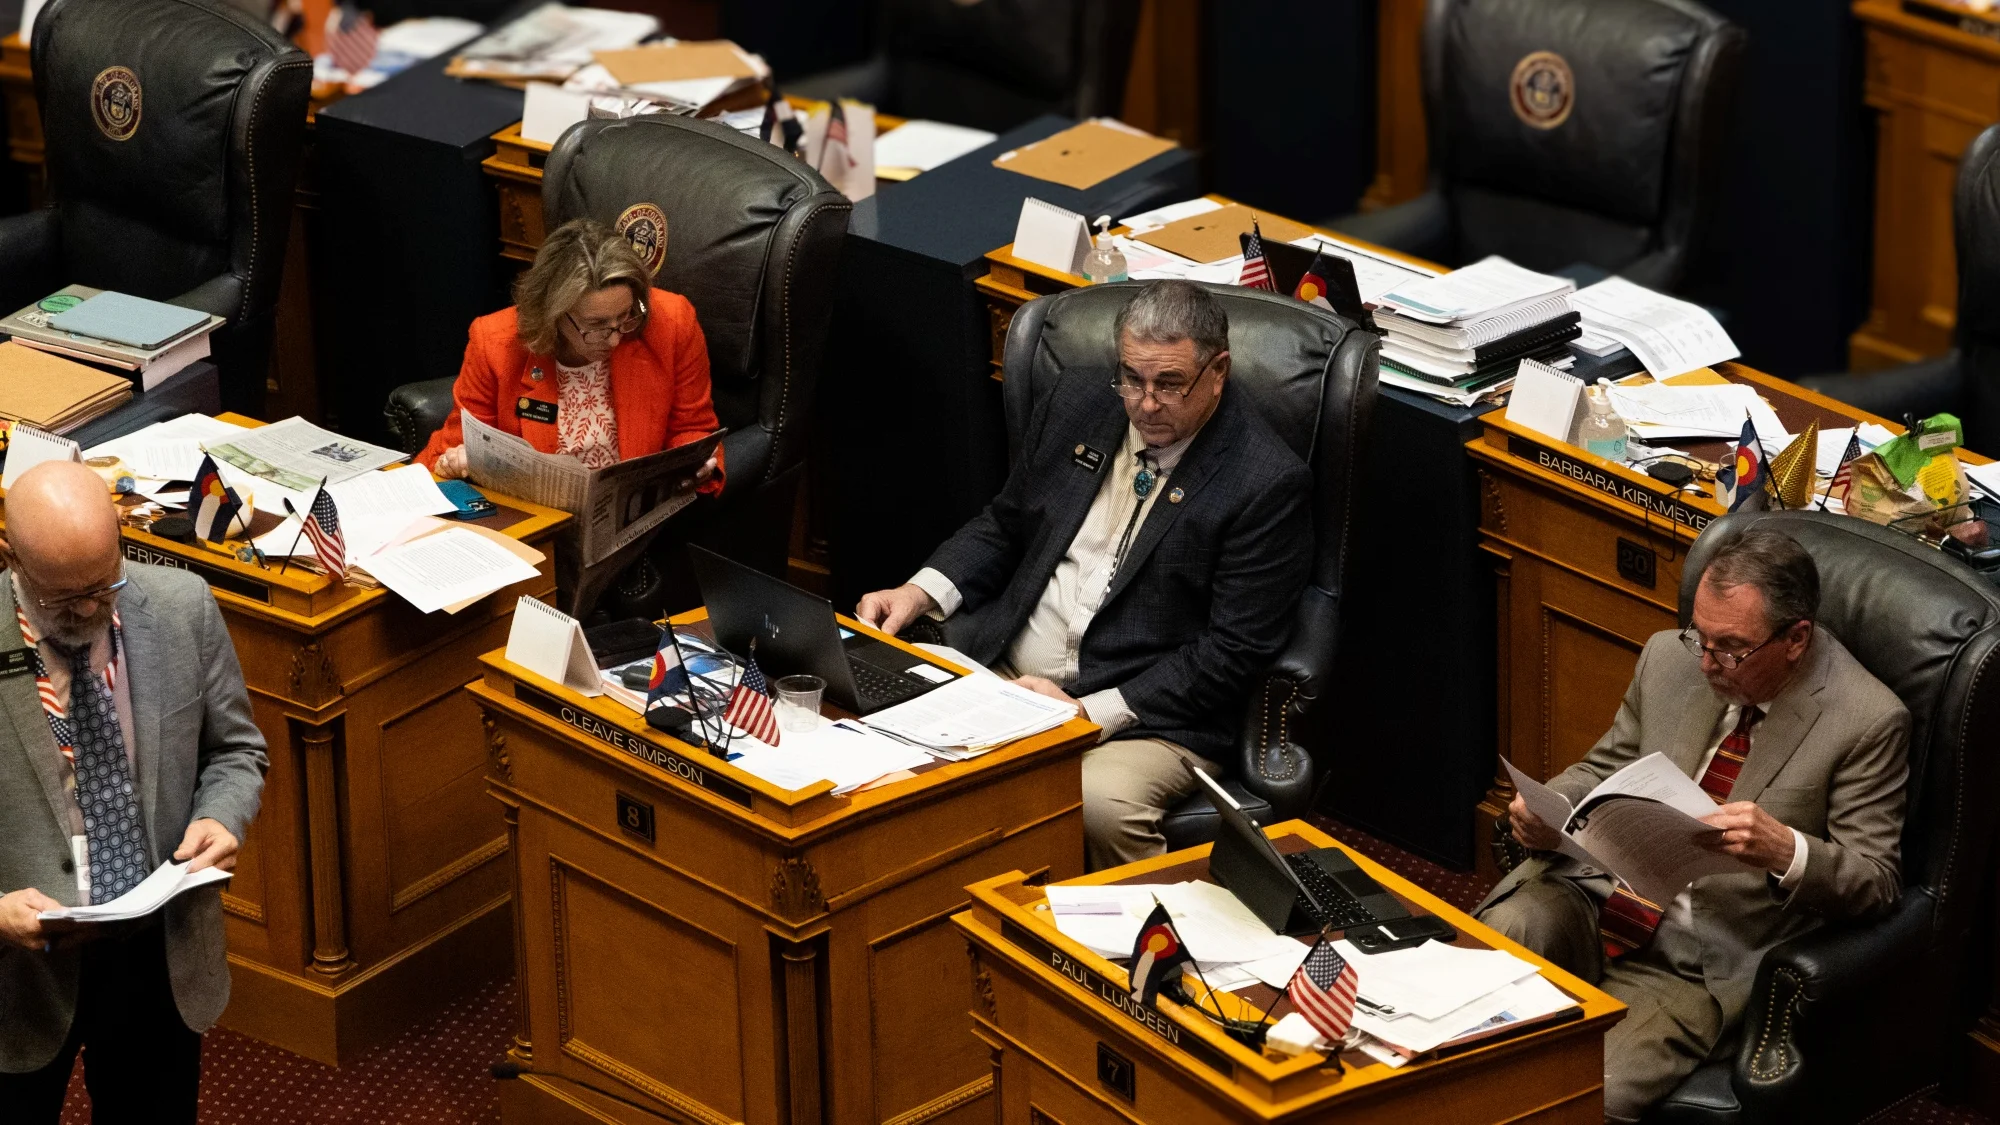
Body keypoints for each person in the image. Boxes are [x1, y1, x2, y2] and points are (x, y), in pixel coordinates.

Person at [856, 280, 1312, 870]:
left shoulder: (1263, 481)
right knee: (890, 728)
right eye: (1132, 378)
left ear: (1218, 370)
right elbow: (1007, 523)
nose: (1146, 404)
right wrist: (918, 592)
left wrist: (1086, 714)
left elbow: (1232, 651)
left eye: (1170, 383)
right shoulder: (1080, 404)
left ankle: (1148, 950)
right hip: (1010, 672)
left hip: (1145, 714)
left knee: (1097, 802)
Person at [1477, 526, 1909, 1122]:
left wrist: (1786, 850)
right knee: (1476, 992)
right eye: (1699, 637)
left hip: (1691, 966)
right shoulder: (1669, 657)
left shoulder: (1867, 721)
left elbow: (1877, 880)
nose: (1706, 662)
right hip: (1590, 899)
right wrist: (1550, 808)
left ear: (1796, 638)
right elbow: (1605, 766)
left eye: (1729, 647)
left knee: (1573, 1097)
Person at [0, 461, 269, 1123]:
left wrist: (221, 816)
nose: (91, 609)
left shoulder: (184, 608)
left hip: (159, 950)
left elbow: (236, 751)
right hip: (21, 972)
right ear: (11, 558)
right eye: (66, 598)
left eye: (103, 584)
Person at [416, 217, 724, 495]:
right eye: (596, 325)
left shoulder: (671, 322)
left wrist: (697, 466)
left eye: (624, 317)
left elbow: (692, 428)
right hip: (538, 518)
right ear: (553, 314)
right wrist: (458, 462)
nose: (615, 338)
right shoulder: (495, 342)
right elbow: (456, 446)